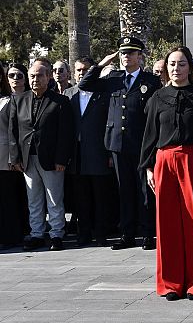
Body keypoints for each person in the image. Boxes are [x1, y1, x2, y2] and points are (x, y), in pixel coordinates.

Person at [140, 46, 193, 301]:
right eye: (173, 64)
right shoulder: (157, 97)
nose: (177, 69)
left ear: (190, 67)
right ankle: (171, 284)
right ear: (167, 67)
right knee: (167, 224)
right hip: (164, 162)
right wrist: (149, 167)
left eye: (182, 64)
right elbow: (150, 135)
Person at [78, 36, 161, 250]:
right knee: (124, 190)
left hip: (141, 143)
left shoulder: (149, 81)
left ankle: (147, 233)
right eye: (123, 53)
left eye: (130, 52)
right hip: (117, 143)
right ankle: (127, 234)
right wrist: (102, 63)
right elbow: (84, 84)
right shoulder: (113, 78)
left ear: (139, 56)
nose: (126, 56)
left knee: (144, 191)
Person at [9, 58, 74, 251]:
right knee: (34, 199)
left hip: (52, 159)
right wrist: (15, 158)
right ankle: (36, 233)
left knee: (54, 198)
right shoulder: (19, 100)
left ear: (48, 77)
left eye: (39, 76)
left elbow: (66, 133)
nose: (35, 79)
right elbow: (13, 131)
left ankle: (56, 234)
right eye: (32, 76)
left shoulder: (60, 101)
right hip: (27, 159)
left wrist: (62, 159)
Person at [63, 57, 115, 247]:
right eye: (78, 70)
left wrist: (109, 153)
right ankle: (83, 234)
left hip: (99, 153)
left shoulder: (104, 93)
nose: (81, 73)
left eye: (85, 69)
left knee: (101, 198)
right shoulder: (68, 94)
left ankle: (101, 234)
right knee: (80, 198)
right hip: (76, 156)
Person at [0, 65, 27, 250]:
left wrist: (13, 157)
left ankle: (11, 236)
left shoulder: (8, 100)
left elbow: (12, 131)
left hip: (3, 155)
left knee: (7, 197)